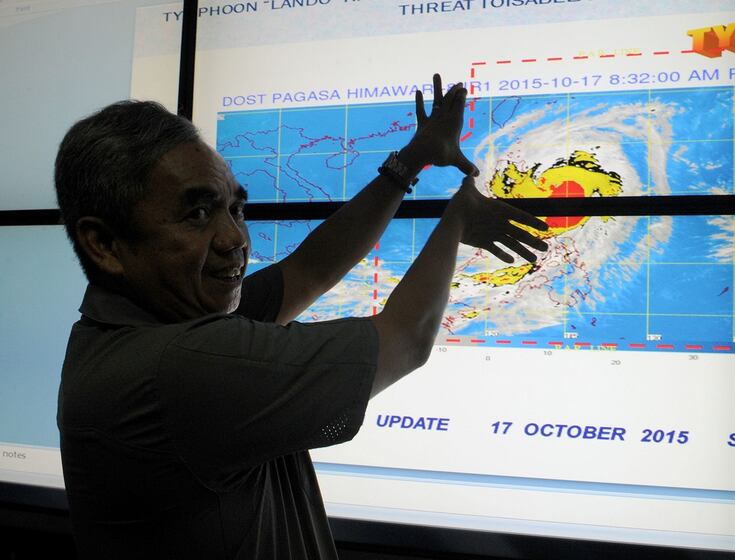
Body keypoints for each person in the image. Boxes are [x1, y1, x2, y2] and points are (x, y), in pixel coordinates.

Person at [55, 74, 548, 559]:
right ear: (104, 243)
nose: (234, 241)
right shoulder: (180, 367)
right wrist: (456, 220)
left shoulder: (141, 329)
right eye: (197, 215)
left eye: (235, 209)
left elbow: (311, 269)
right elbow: (406, 339)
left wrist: (412, 159)